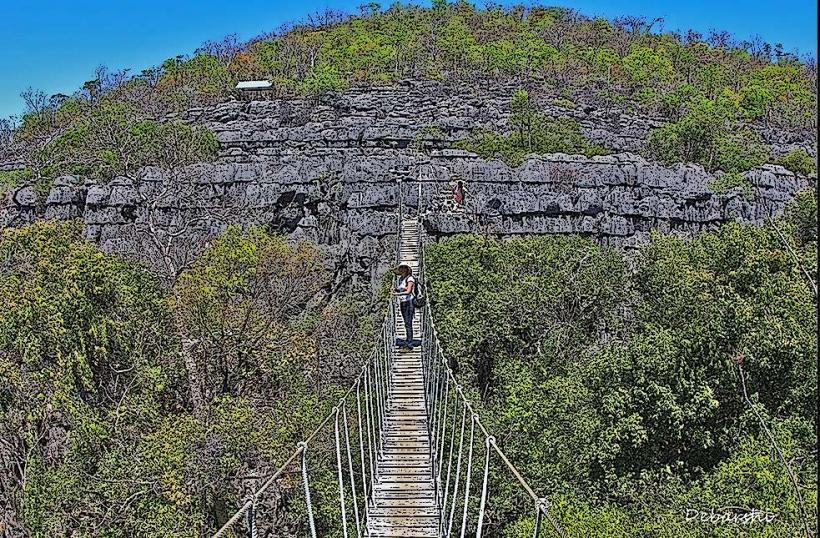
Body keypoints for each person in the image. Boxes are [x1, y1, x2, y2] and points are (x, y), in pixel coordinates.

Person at [392, 263, 416, 351]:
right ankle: (408, 341)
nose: (402, 269)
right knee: (406, 323)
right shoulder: (401, 279)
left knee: (408, 323)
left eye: (404, 268)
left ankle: (409, 345)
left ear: (407, 269)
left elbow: (409, 291)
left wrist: (396, 294)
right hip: (403, 303)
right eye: (401, 268)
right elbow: (402, 288)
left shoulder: (410, 278)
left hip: (409, 303)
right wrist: (396, 289)